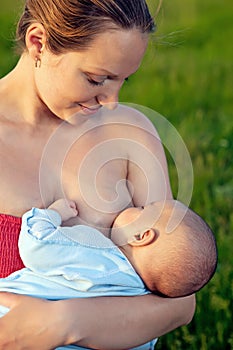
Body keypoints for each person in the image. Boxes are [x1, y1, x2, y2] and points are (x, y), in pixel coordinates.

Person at [0, 0, 196, 349]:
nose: (111, 101)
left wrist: (64, 323)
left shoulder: (129, 136)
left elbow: (180, 302)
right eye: (97, 79)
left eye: (123, 79)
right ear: (38, 43)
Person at [0, 198, 217, 349]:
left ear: (141, 235)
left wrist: (52, 214)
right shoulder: (142, 306)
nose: (135, 207)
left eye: (142, 208)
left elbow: (38, 245)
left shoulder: (99, 255)